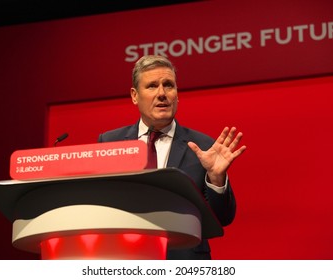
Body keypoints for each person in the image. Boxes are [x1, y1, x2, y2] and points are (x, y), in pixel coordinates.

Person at [98, 55, 246, 259]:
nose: (162, 94)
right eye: (151, 86)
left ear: (177, 94)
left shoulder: (203, 147)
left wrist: (216, 179)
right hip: (126, 259)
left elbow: (223, 218)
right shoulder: (110, 143)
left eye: (168, 85)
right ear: (134, 95)